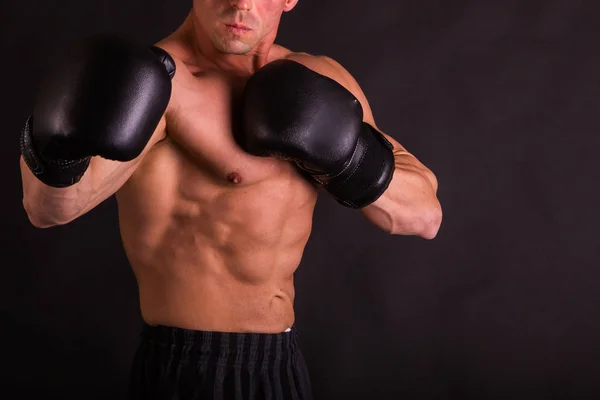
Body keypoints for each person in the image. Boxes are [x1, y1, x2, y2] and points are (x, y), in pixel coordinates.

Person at [19, 0, 443, 398]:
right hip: (187, 369)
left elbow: (424, 216)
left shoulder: (319, 78)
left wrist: (349, 157)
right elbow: (50, 208)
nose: (241, 3)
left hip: (282, 366)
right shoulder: (160, 87)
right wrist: (60, 148)